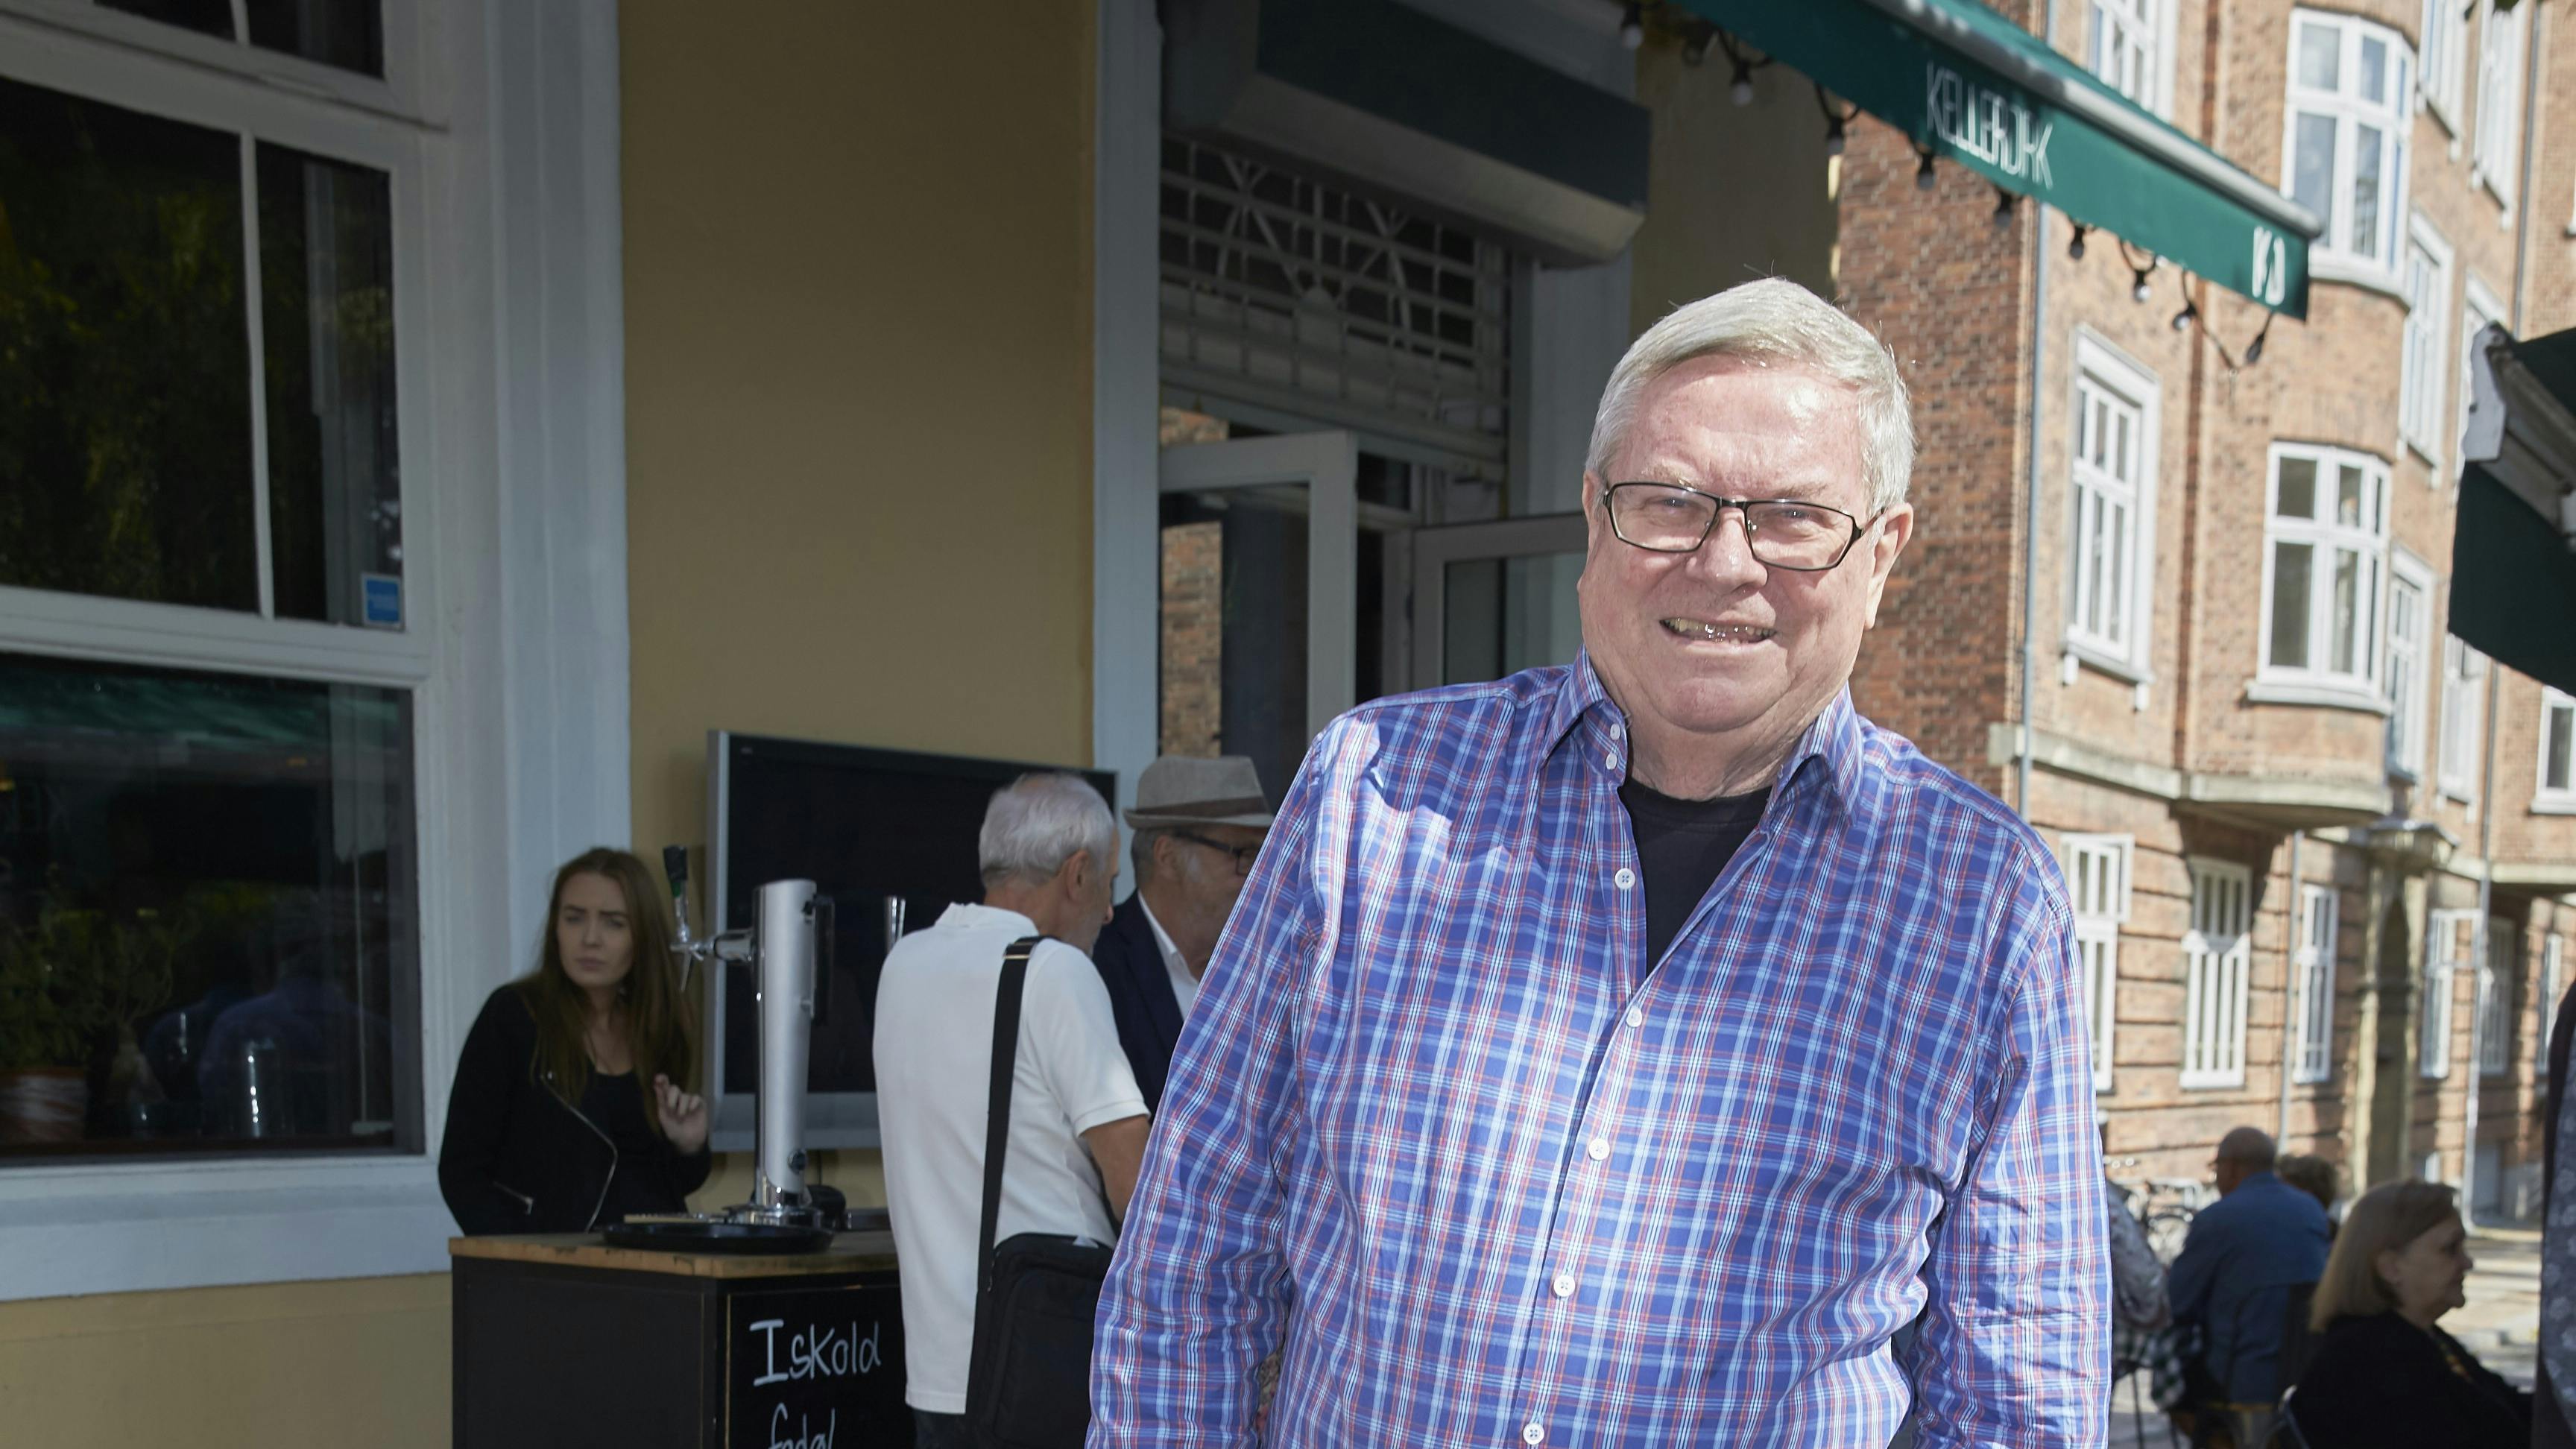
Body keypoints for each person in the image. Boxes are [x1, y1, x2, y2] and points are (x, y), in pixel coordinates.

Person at [1089, 278, 2110, 1445]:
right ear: (1593, 518)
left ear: (1881, 556)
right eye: (1669, 502)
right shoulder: (1372, 798)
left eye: (1792, 517)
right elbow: (1187, 1266)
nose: (1725, 563)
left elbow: (2017, 1404)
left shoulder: (1980, 904)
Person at [875, 772, 1151, 1449]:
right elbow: (1139, 1182)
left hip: (940, 1372)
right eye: (1111, 885)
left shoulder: (904, 964)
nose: (1112, 912)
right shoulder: (1054, 972)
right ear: (1077, 874)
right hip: (1045, 1357)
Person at [438, 848, 710, 1234]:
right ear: (556, 930)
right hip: (549, 1273)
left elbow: (672, 1183)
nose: (590, 939)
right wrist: (522, 1259)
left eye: (614, 923)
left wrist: (689, 1146)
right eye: (574, 918)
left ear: (642, 936)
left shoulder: (658, 1026)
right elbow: (461, 1171)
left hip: (653, 1267)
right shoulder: (514, 1016)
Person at [1088, 754, 1272, 1111]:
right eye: (1243, 853)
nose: (1258, 875)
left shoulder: (1265, 970)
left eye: (1264, 855)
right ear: (1168, 857)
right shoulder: (1099, 968)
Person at [2288, 1179, 2530, 1448]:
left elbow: (2510, 1407)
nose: (2467, 1262)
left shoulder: (2421, 1337)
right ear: (2391, 1267)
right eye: (2450, 1249)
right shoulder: (2370, 1359)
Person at [2165, 1126, 2332, 1446]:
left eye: (2216, 1169)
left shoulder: (2217, 1219)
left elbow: (2177, 1304)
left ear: (2231, 1167)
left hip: (2239, 1379)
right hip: (2304, 1372)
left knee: (2173, 1372)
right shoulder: (2311, 1210)